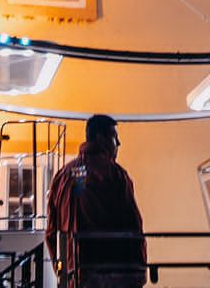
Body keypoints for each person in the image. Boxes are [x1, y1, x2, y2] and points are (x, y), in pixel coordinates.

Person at [47, 114, 147, 288]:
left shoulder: (62, 176)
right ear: (101, 139)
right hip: (107, 277)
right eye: (115, 137)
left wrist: (63, 271)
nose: (119, 143)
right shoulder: (114, 175)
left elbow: (51, 232)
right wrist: (139, 272)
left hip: (72, 278)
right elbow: (132, 226)